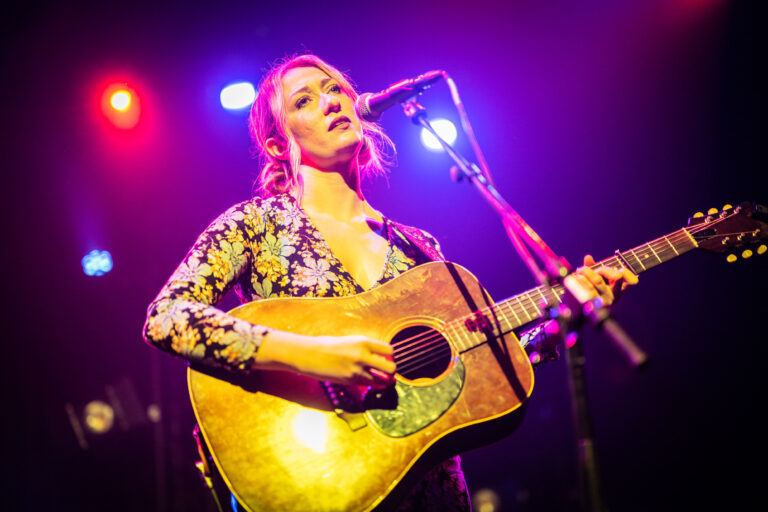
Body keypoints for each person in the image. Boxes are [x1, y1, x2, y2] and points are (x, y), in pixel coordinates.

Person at [143, 53, 636, 512]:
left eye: (335, 89)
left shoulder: (420, 249)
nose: (331, 101)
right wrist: (312, 355)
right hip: (322, 480)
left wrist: (558, 322)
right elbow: (167, 318)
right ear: (277, 144)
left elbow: (479, 368)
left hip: (434, 494)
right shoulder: (255, 225)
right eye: (304, 100)